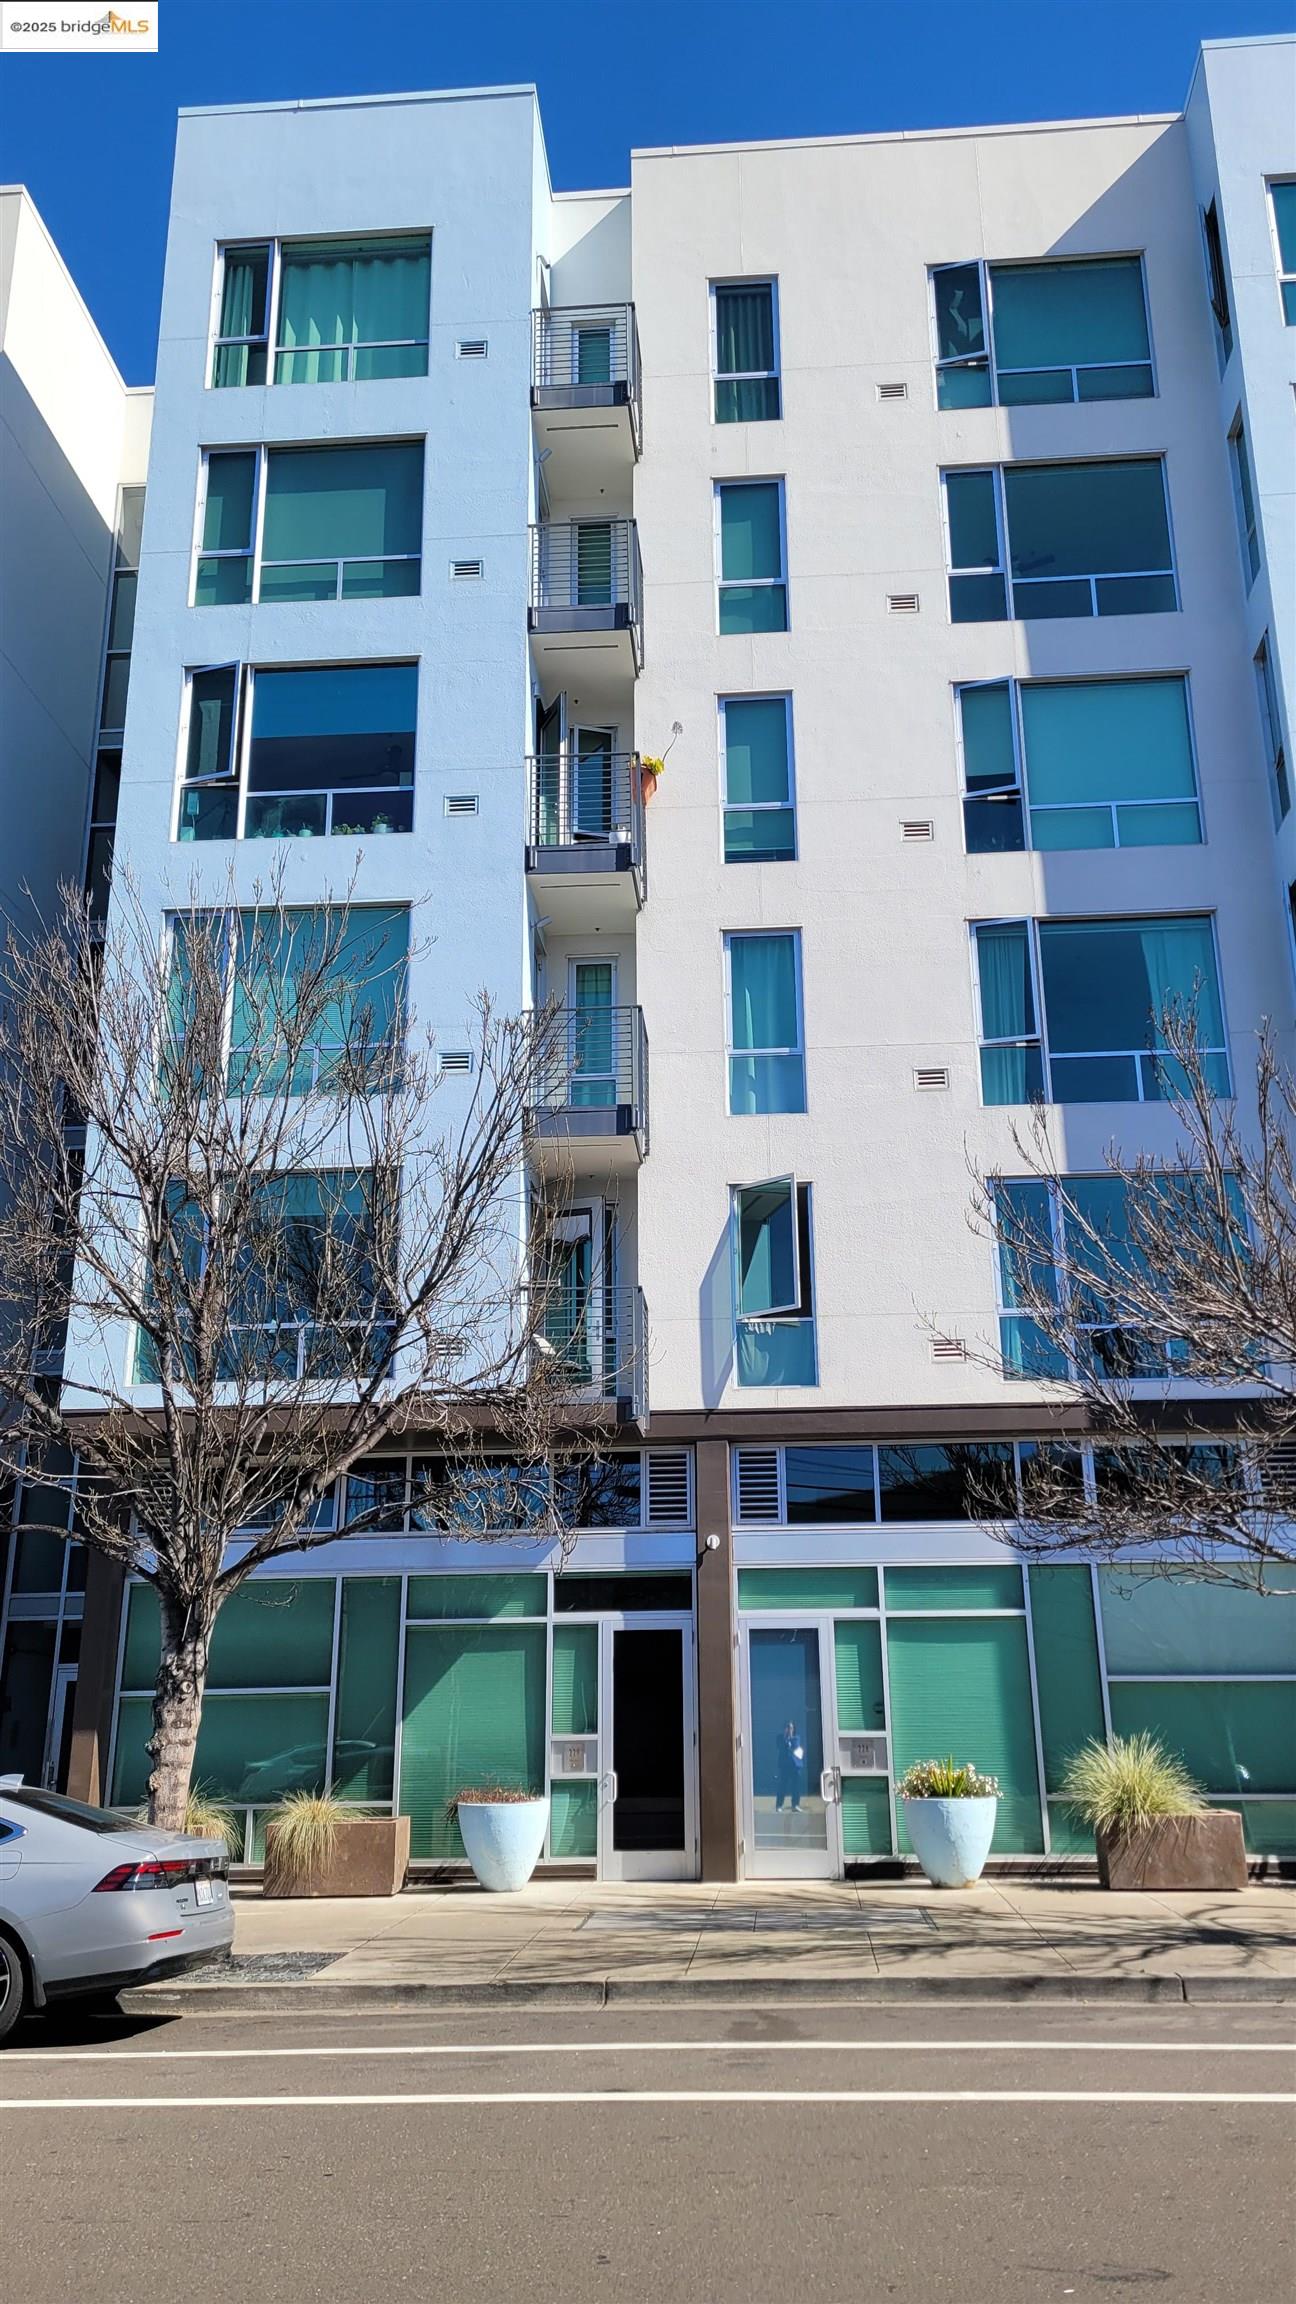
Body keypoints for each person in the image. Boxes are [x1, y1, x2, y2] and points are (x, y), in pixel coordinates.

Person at [774, 1719, 805, 1812]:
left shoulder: (796, 1738)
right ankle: (779, 1805)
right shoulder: (780, 1738)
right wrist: (786, 1738)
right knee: (782, 1786)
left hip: (795, 1766)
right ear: (784, 1728)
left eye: (791, 1727)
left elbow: (795, 1747)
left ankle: (795, 1805)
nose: (789, 1729)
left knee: (796, 1786)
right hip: (784, 1766)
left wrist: (790, 1738)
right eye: (787, 1727)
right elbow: (780, 1747)